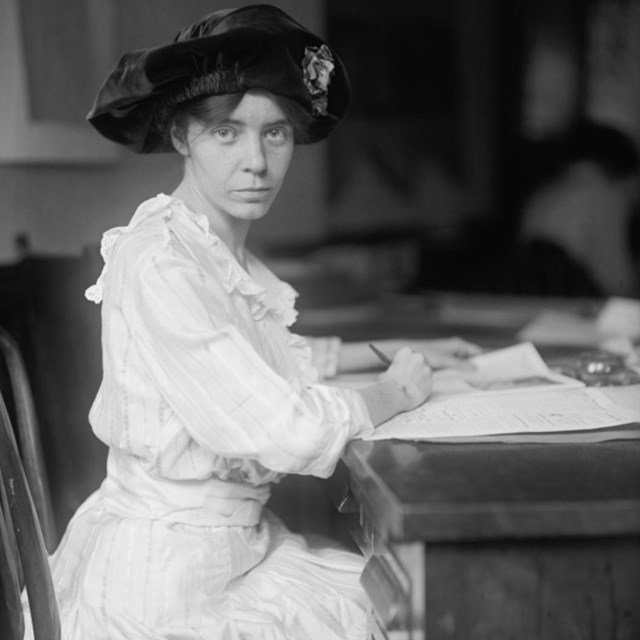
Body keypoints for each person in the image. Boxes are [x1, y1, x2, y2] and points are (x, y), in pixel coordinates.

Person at [25, 6, 479, 639]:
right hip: (165, 581)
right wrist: (391, 394)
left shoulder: (210, 252)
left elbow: (263, 361)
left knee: (412, 601)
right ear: (182, 137)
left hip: (232, 551)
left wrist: (394, 349)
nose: (257, 163)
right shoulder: (161, 263)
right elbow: (281, 425)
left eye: (275, 134)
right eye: (227, 133)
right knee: (411, 610)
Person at [512, 119, 640, 298]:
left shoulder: (543, 192)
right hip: (573, 305)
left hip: (528, 300)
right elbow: (617, 283)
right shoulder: (607, 196)